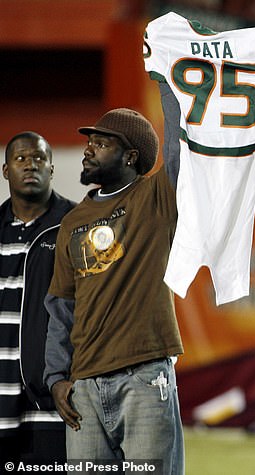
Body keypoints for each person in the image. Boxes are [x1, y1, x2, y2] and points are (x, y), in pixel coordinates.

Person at [43, 108, 185, 473]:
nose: (89, 149)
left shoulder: (156, 197)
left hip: (144, 374)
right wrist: (57, 377)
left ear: (130, 157)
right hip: (85, 387)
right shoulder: (72, 220)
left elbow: (179, 149)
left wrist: (168, 80)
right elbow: (61, 305)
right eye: (89, 142)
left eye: (102, 143)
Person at [0, 132, 74, 468]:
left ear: (52, 169)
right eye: (21, 158)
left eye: (39, 158)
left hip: (51, 404)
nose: (31, 164)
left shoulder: (75, 225)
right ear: (5, 171)